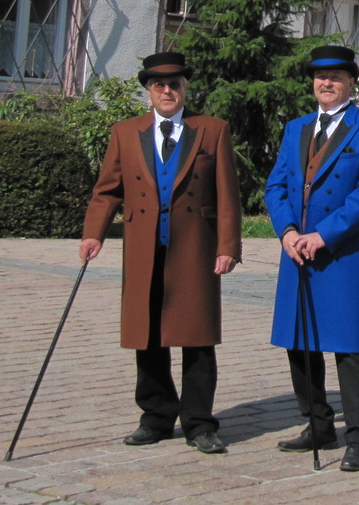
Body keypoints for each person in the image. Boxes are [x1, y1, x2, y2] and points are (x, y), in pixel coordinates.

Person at [80, 51, 242, 454]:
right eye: (159, 85)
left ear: (185, 88)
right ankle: (155, 417)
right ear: (149, 91)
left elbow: (228, 194)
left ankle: (199, 424)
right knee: (147, 334)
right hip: (144, 247)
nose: (167, 91)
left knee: (197, 337)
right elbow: (107, 190)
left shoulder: (212, 130)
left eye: (174, 84)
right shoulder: (125, 132)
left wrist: (227, 246)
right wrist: (93, 234)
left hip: (195, 247)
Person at [266, 45, 359, 473]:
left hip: (342, 251)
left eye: (336, 77)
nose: (326, 83)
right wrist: (287, 232)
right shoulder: (296, 129)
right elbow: (276, 186)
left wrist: (324, 235)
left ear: (351, 82)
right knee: (298, 340)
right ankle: (318, 424)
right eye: (320, 77)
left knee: (349, 344)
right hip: (297, 249)